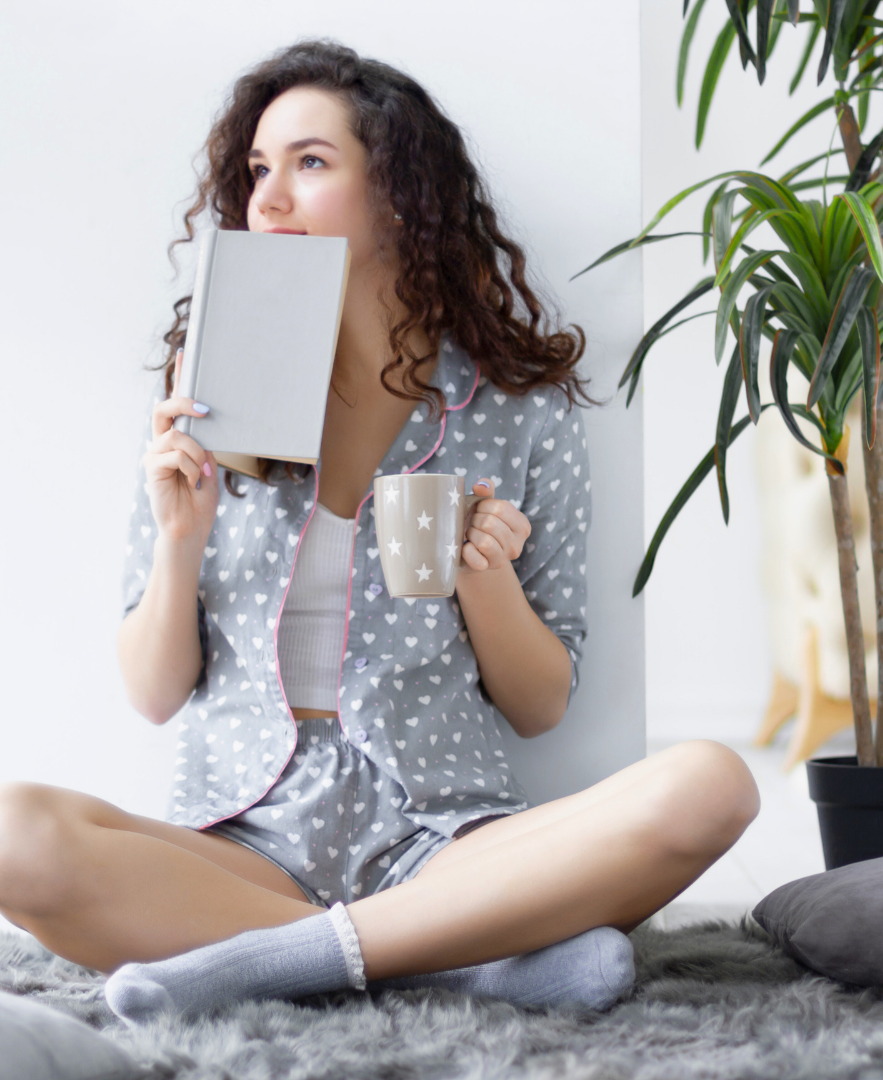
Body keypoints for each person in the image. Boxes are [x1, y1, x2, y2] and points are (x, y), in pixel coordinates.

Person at [0, 41, 759, 1019]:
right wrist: (179, 536)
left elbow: (539, 706)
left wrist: (484, 580)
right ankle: (466, 960)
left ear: (401, 194)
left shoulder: (515, 413)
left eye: (309, 164)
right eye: (258, 170)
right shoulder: (209, 395)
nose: (268, 198)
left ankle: (275, 965)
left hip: (447, 841)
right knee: (14, 834)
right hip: (242, 848)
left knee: (713, 783)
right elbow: (153, 695)